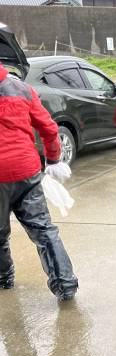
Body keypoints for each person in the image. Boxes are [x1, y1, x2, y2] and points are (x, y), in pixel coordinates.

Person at [0, 61, 78, 300]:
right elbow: (49, 128)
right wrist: (53, 159)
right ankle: (65, 285)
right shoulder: (22, 89)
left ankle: (3, 279)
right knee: (44, 230)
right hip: (27, 171)